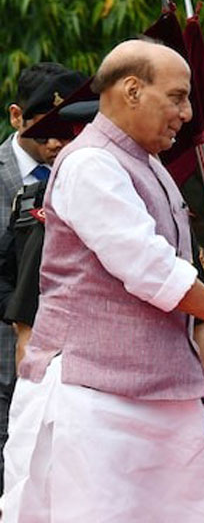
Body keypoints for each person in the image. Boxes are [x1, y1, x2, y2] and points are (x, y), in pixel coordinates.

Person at [0, 38, 204, 522]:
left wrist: (203, 391)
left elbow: (175, 282)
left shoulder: (146, 162)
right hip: (92, 399)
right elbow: (150, 268)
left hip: (161, 393)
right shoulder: (88, 163)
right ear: (132, 90)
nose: (186, 113)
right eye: (177, 97)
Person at [0, 62, 83, 492]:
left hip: (76, 374)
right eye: (43, 127)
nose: (56, 140)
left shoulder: (87, 172)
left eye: (68, 126)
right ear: (17, 116)